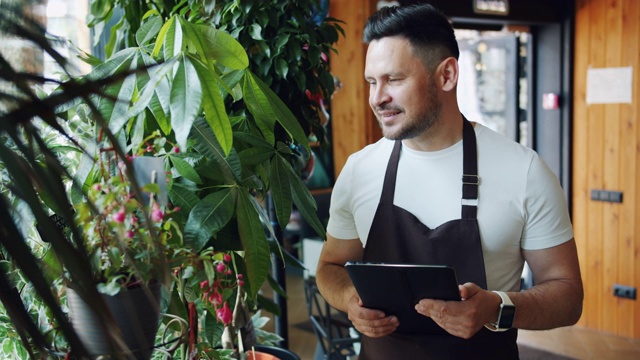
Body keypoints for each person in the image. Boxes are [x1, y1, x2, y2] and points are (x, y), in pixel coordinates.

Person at [315, 3, 583, 359]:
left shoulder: (525, 171)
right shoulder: (359, 170)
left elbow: (568, 296)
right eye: (371, 82)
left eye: (394, 79)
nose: (378, 98)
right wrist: (350, 299)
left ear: (446, 76)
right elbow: (330, 267)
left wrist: (495, 308)